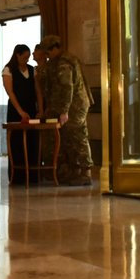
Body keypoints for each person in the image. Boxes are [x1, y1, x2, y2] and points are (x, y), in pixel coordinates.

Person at [39, 35, 93, 186]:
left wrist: (64, 111)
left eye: (48, 52)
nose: (47, 56)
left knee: (78, 137)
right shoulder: (59, 61)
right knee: (68, 138)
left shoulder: (64, 62)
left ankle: (85, 172)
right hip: (71, 105)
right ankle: (74, 171)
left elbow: (67, 87)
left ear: (55, 48)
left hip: (74, 106)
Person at [2, 44, 39, 184]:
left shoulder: (32, 70)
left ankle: (33, 176)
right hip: (16, 110)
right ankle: (17, 176)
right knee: (16, 142)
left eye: (28, 57)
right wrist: (21, 112)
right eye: (24, 57)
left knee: (32, 141)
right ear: (17, 55)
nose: (27, 60)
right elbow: (10, 92)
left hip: (31, 108)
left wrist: (39, 109)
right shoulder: (8, 70)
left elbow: (38, 91)